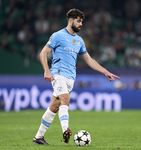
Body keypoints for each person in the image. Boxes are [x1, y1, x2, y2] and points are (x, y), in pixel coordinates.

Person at [33, 8, 120, 145]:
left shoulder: (79, 41)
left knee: (54, 107)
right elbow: (43, 53)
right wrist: (47, 71)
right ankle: (66, 130)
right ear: (70, 20)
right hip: (58, 74)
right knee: (65, 99)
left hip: (70, 78)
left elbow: (89, 60)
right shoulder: (58, 35)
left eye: (82, 22)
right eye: (78, 21)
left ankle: (38, 137)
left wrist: (105, 72)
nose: (81, 24)